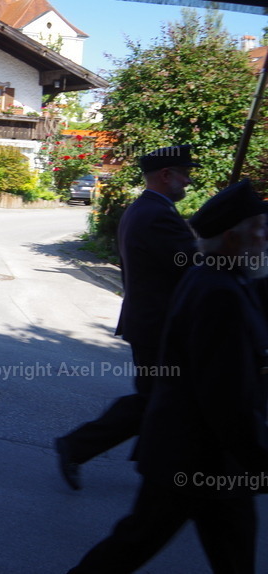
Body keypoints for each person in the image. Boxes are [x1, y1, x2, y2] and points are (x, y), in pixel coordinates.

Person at [69, 179, 268, 574]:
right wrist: (259, 460)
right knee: (131, 546)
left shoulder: (224, 278)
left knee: (218, 553)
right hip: (195, 457)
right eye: (260, 228)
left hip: (202, 457)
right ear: (232, 238)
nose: (267, 238)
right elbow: (225, 396)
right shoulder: (218, 292)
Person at [55, 145, 198, 490]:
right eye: (184, 173)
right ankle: (80, 446)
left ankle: (146, 459)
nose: (189, 181)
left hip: (149, 323)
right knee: (158, 397)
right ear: (166, 175)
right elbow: (193, 265)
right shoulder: (159, 215)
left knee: (159, 397)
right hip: (159, 327)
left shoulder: (143, 209)